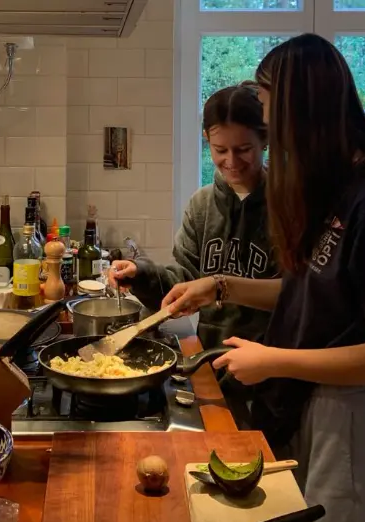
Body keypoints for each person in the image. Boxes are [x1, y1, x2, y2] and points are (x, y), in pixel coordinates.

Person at [162, 33, 365, 522]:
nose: (264, 125)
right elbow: (307, 293)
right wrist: (219, 285)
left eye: (265, 106)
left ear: (299, 107)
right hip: (312, 409)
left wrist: (273, 359)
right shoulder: (337, 192)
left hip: (348, 424)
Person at [108, 82, 279, 427]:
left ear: (265, 139)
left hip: (275, 382)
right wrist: (139, 274)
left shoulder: (287, 206)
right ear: (206, 140)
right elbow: (183, 281)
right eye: (220, 150)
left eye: (244, 148)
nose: (231, 162)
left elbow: (299, 297)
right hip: (215, 371)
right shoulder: (203, 206)